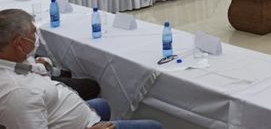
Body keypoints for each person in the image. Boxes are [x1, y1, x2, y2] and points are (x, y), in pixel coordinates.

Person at [0, 9, 164, 129]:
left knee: (102, 104)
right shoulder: (17, 93)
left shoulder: (12, 58)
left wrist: (42, 65)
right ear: (19, 43)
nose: (36, 37)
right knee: (154, 126)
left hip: (58, 111)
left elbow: (33, 72)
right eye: (33, 33)